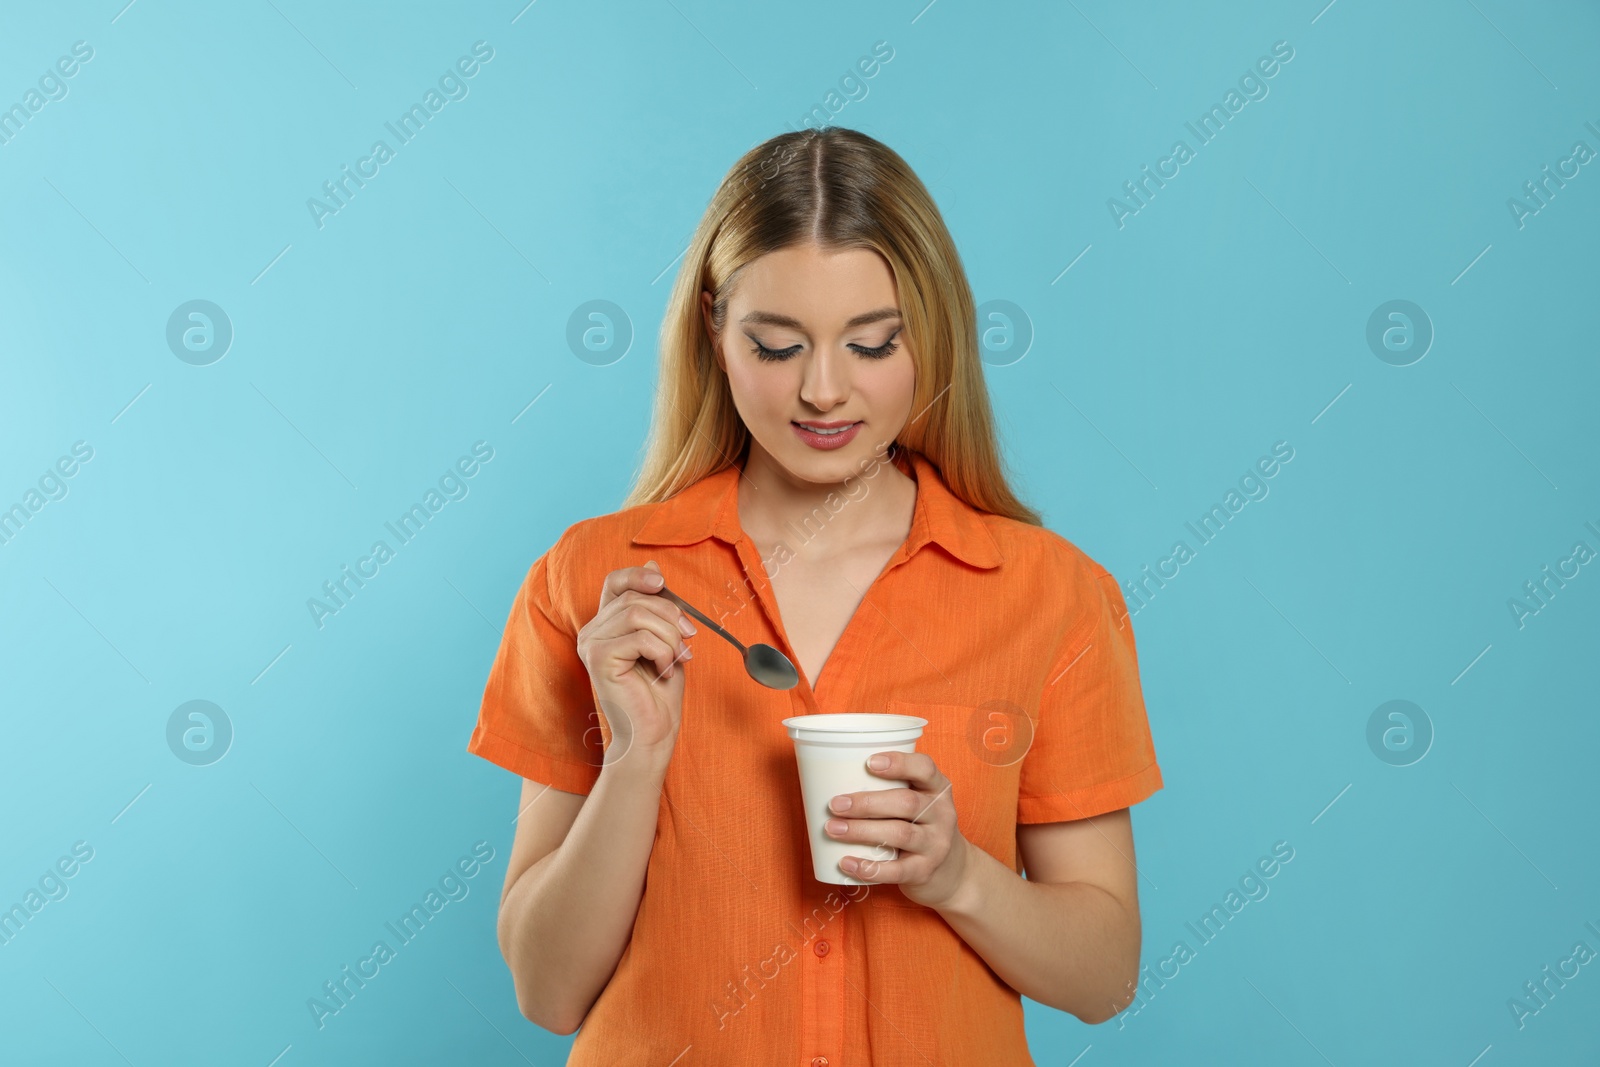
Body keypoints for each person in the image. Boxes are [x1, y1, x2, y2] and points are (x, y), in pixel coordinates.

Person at [466, 126, 1164, 1065]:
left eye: (872, 344)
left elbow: (1104, 976)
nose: (825, 391)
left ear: (933, 333)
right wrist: (636, 761)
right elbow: (548, 992)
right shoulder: (594, 584)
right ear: (714, 328)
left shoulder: (1054, 596)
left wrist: (959, 876)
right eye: (778, 344)